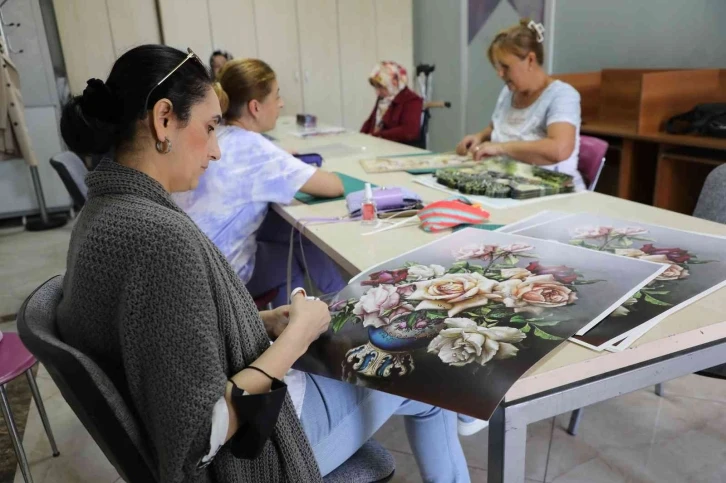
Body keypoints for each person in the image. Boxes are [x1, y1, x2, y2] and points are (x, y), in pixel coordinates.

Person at [56, 44, 470, 483]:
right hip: (251, 457)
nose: (216, 151)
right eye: (210, 127)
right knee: (425, 379)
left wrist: (264, 320)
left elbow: (169, 332)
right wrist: (295, 337)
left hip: (225, 419)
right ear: (163, 120)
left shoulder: (105, 211)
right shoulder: (160, 239)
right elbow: (200, 439)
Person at [174, 58, 346, 308]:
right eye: (276, 96)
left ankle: (332, 309)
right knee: (293, 252)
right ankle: (329, 315)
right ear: (255, 107)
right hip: (219, 278)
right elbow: (333, 186)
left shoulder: (217, 134)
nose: (281, 104)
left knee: (284, 229)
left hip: (191, 267)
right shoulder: (255, 149)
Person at [457, 19, 585, 191]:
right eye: (497, 67)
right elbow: (496, 126)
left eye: (505, 67)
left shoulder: (562, 95)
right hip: (509, 183)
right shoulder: (509, 92)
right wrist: (479, 137)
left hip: (552, 191)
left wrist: (502, 148)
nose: (500, 73)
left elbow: (559, 149)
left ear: (530, 60)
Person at [361, 61, 423, 146]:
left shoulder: (412, 100)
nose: (377, 92)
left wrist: (378, 136)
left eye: (381, 87)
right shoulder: (384, 97)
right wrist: (360, 137)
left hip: (400, 151)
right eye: (375, 87)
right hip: (379, 146)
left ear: (395, 82)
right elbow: (371, 121)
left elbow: (409, 131)